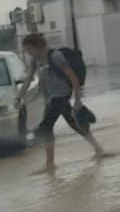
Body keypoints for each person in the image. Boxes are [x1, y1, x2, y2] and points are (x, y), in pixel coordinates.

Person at [16, 33, 106, 172]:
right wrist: (19, 96)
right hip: (50, 98)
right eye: (26, 50)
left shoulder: (55, 56)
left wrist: (77, 100)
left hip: (61, 96)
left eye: (29, 49)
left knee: (45, 127)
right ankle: (99, 149)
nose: (28, 53)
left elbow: (73, 78)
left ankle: (50, 164)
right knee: (74, 124)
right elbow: (28, 79)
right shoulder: (35, 61)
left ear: (38, 46)